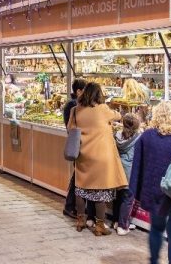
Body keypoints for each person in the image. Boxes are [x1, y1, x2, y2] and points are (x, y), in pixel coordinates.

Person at [130, 101, 171, 264]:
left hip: (156, 194)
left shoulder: (146, 137)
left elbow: (138, 166)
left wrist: (136, 192)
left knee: (156, 229)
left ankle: (154, 261)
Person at [67, 82, 127, 236]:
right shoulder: (103, 109)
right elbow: (118, 116)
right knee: (101, 190)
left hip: (83, 154)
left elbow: (70, 130)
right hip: (101, 156)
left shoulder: (75, 110)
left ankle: (80, 220)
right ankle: (100, 226)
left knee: (80, 188)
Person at [62, 78, 88, 218]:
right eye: (85, 90)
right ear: (79, 91)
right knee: (77, 176)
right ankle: (70, 206)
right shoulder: (74, 105)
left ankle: (73, 206)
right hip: (77, 144)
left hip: (78, 143)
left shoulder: (73, 104)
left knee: (77, 175)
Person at [113, 113, 141, 236]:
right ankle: (122, 225)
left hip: (118, 169)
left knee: (118, 197)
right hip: (129, 171)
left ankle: (116, 221)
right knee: (128, 198)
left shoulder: (117, 135)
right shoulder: (138, 137)